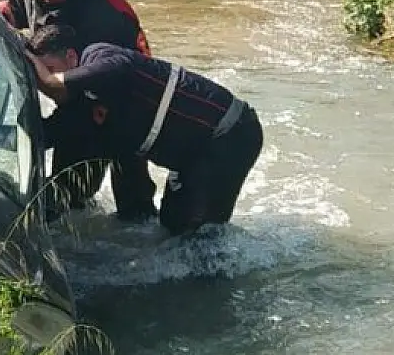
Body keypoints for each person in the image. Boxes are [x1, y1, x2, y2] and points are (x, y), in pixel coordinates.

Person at [24, 24, 264, 237]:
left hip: (232, 135)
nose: (46, 86)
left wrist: (51, 80)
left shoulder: (101, 55)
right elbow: (45, 135)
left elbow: (116, 69)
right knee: (175, 226)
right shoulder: (79, 104)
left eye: (50, 68)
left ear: (71, 57)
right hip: (193, 154)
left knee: (201, 236)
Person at [0, 0, 158, 222]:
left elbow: (91, 108)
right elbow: (12, 8)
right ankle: (67, 211)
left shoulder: (105, 20)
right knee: (63, 192)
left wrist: (42, 134)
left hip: (122, 100)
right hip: (73, 84)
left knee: (132, 197)